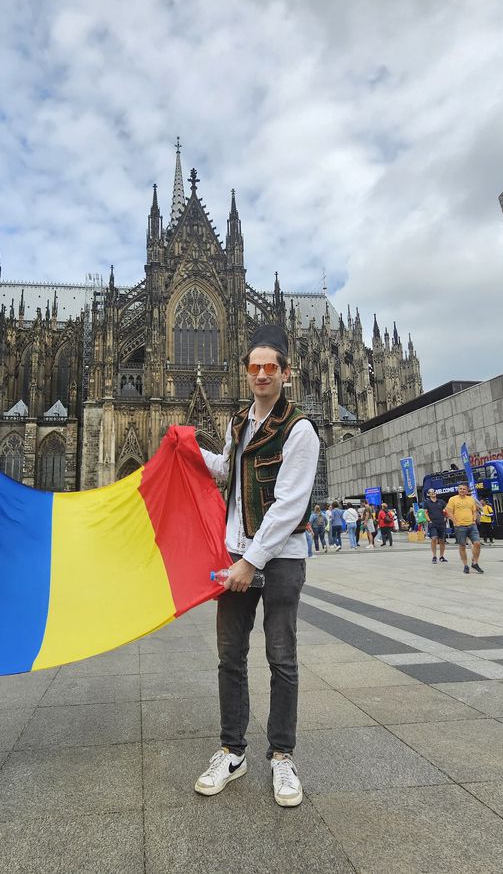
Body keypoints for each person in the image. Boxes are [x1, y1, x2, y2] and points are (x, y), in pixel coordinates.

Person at [194, 323, 319, 809]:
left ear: (286, 373)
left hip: (280, 559)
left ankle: (282, 755)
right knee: (230, 656)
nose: (262, 374)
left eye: (271, 367)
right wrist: (188, 450)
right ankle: (232, 751)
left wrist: (250, 561)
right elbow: (229, 471)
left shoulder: (300, 429)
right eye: (254, 366)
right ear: (246, 372)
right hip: (236, 554)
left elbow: (288, 505)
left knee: (281, 657)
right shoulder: (239, 423)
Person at [446, 483, 485, 574]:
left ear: (467, 490)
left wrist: (474, 520)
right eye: (460, 489)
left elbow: (474, 510)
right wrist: (455, 522)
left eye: (464, 489)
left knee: (477, 543)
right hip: (460, 526)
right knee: (462, 545)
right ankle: (465, 565)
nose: (462, 490)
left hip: (471, 525)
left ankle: (475, 563)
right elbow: (449, 511)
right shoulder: (453, 499)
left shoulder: (471, 499)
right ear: (458, 490)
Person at [419, 489, 448, 565]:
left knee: (442, 540)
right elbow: (425, 512)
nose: (433, 493)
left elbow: (446, 510)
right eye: (431, 492)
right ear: (428, 494)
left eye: (434, 492)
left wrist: (446, 517)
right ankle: (434, 556)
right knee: (434, 538)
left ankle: (441, 556)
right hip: (433, 523)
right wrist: (429, 521)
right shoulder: (427, 502)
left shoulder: (441, 502)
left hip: (441, 523)